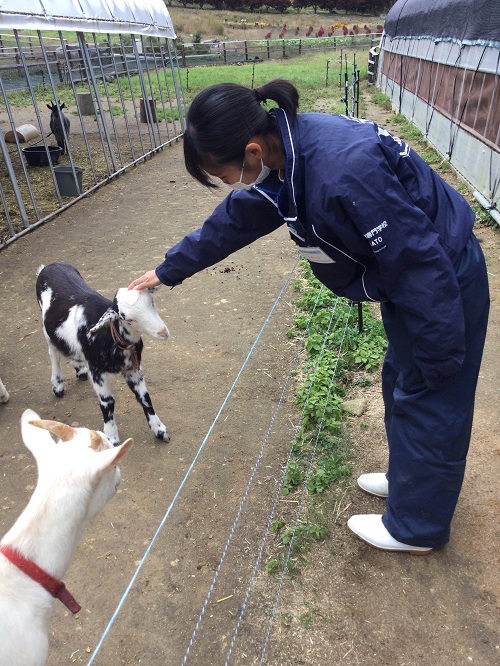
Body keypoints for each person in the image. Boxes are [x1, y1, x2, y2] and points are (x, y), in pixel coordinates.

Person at [129, 79, 490, 555]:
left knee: (432, 392)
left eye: (225, 173)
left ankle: (417, 526)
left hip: (439, 277)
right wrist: (167, 270)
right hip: (405, 277)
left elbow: (418, 261)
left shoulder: (341, 170)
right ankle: (411, 480)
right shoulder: (286, 156)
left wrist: (443, 355)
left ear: (252, 151)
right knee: (402, 378)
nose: (229, 184)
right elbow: (237, 219)